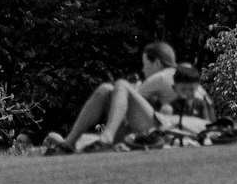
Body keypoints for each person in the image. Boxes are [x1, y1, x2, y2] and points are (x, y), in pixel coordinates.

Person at [46, 42, 180, 152]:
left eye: (145, 65)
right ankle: (72, 142)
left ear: (157, 63)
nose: (143, 70)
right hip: (163, 127)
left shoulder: (162, 77)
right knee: (106, 89)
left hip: (164, 131)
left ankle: (98, 139)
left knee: (119, 85)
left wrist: (130, 87)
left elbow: (127, 94)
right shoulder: (177, 76)